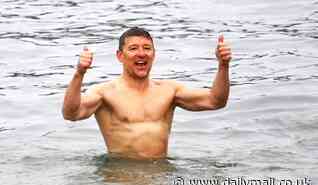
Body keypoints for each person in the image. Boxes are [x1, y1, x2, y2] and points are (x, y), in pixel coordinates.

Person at [62, 27, 231, 160]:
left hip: (160, 178)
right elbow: (71, 113)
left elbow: (216, 101)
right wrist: (79, 73)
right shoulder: (105, 93)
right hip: (119, 179)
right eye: (133, 48)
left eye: (147, 48)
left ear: (154, 54)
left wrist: (223, 65)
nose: (141, 53)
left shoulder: (169, 91)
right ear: (120, 56)